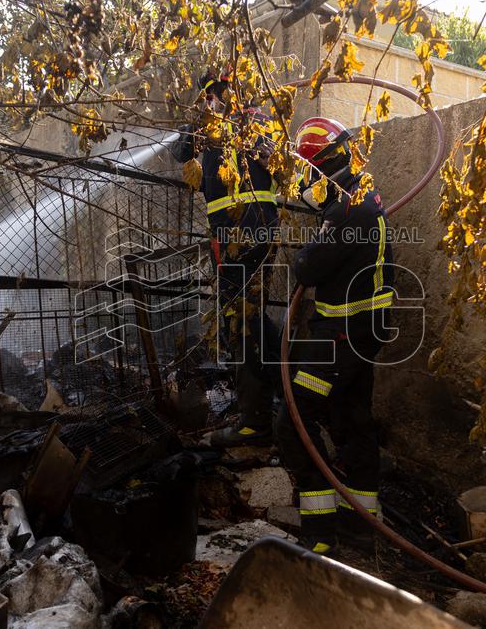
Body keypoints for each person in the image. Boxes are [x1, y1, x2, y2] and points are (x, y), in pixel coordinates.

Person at [275, 116, 395, 555]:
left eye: (307, 174)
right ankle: (361, 529)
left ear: (320, 169)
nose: (306, 183)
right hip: (361, 335)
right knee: (351, 420)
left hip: (340, 340)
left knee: (293, 421)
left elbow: (309, 267)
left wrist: (303, 252)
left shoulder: (347, 208)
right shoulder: (364, 197)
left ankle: (321, 535)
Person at [169, 70, 281, 447]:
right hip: (244, 236)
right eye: (208, 97)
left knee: (239, 322)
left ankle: (254, 422)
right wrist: (198, 124)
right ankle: (281, 393)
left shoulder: (254, 121)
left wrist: (223, 125)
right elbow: (180, 152)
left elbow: (274, 160)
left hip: (242, 237)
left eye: (212, 95)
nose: (210, 102)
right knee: (252, 318)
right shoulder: (212, 127)